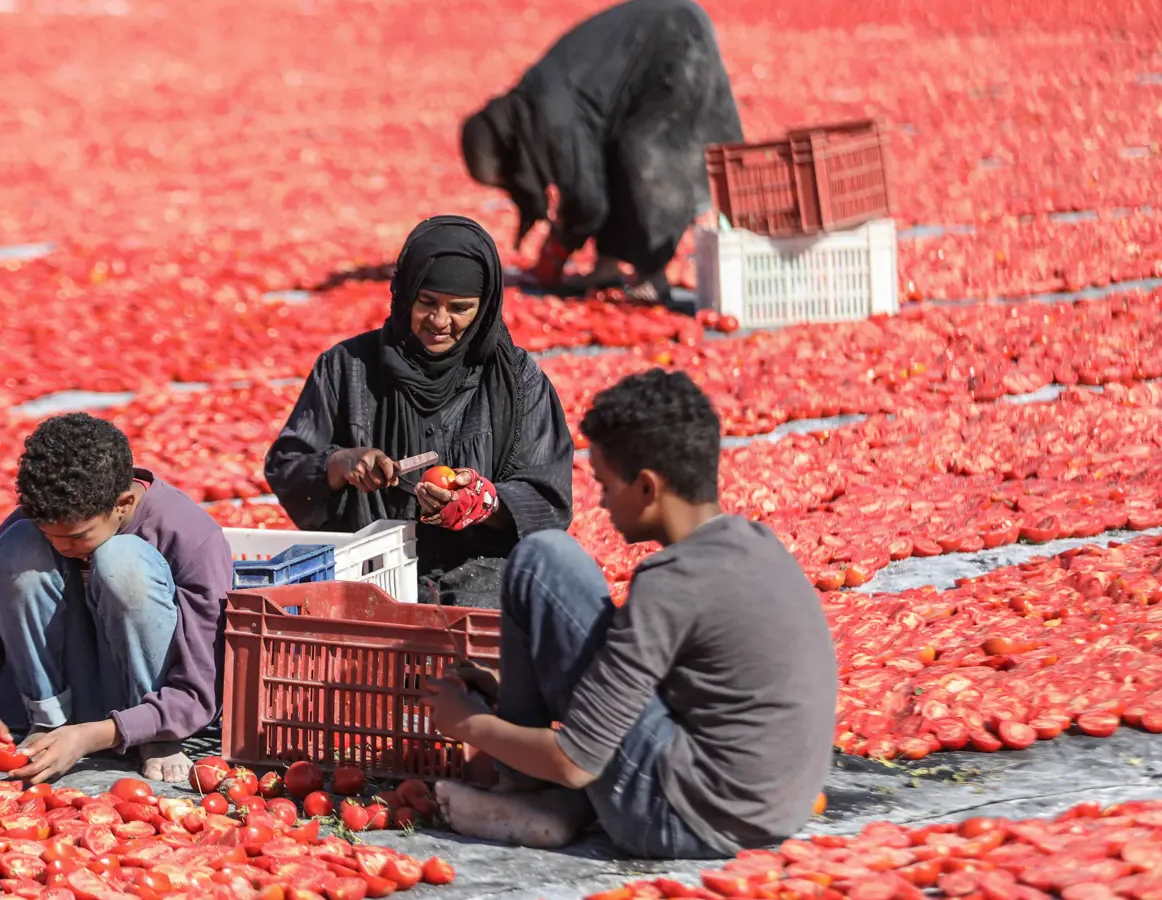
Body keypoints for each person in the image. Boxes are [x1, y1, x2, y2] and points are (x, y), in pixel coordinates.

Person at [425, 368, 837, 856]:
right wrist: (512, 688)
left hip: (680, 819)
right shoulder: (756, 544)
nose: (599, 499)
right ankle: (554, 803)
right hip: (772, 808)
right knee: (554, 566)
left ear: (646, 487)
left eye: (603, 482)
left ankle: (529, 792)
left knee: (544, 559)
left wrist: (468, 723)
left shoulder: (672, 582)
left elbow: (579, 761)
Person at [264, 215, 574, 609]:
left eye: (460, 308)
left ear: (485, 308)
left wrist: (487, 502)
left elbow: (549, 497)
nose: (440, 322)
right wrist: (339, 464)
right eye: (426, 302)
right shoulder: (347, 367)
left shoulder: (517, 379)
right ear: (405, 292)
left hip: (484, 586)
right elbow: (287, 465)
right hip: (370, 582)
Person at [0, 412, 232, 785]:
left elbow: (201, 686)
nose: (62, 548)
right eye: (51, 537)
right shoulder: (30, 527)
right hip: (57, 690)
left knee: (121, 560)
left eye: (77, 537)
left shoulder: (190, 537)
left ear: (123, 504)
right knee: (19, 544)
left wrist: (93, 736)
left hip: (152, 704)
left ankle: (156, 736)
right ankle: (49, 721)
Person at [460, 0, 743, 306]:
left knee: (648, 153)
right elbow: (593, 165)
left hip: (673, 41)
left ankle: (652, 273)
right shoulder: (531, 106)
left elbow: (587, 200)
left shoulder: (548, 114)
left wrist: (557, 251)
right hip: (668, 30)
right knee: (613, 150)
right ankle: (607, 266)